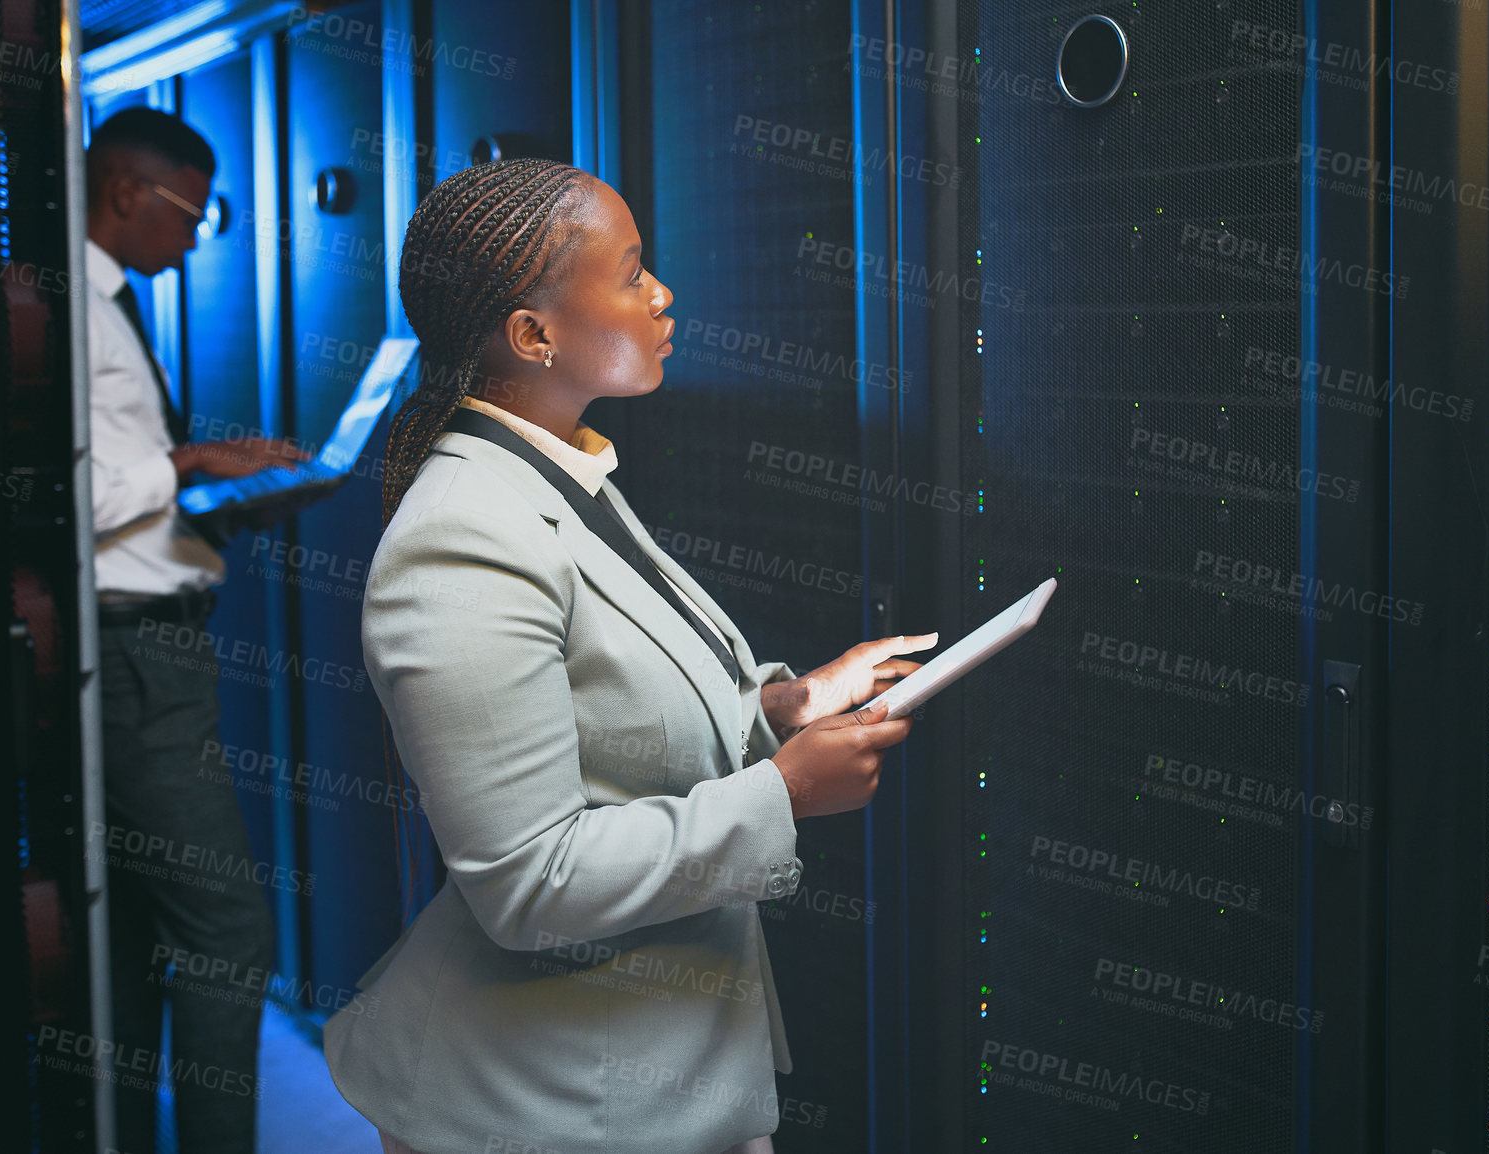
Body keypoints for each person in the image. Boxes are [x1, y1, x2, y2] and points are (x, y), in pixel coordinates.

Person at [323, 157, 936, 1154]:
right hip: (551, 1101)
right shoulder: (462, 534)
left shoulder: (565, 472)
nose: (664, 295)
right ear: (534, 334)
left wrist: (786, 704)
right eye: (632, 272)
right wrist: (781, 791)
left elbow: (620, 721)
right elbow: (529, 880)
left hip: (652, 1069)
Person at [85, 106, 303, 1154]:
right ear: (129, 189)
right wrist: (185, 466)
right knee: (228, 935)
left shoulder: (112, 305)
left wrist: (225, 493)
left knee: (132, 934)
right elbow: (58, 496)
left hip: (149, 647)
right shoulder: (57, 311)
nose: (196, 233)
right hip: (131, 658)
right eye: (192, 210)